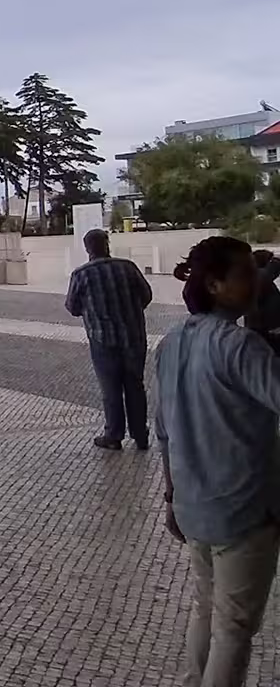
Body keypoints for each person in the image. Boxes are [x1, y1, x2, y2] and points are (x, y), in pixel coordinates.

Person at [157, 235, 280, 687]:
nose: (255, 283)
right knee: (234, 628)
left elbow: (164, 429)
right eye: (245, 274)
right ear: (214, 284)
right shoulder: (241, 348)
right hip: (244, 510)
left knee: (207, 611)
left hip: (194, 506)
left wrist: (171, 496)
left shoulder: (171, 343)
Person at [65, 228, 155, 450]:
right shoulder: (128, 267)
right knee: (135, 385)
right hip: (133, 336)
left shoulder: (81, 274)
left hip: (102, 338)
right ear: (107, 244)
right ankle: (140, 434)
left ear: (87, 248)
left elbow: (72, 307)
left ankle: (114, 435)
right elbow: (146, 295)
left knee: (111, 388)